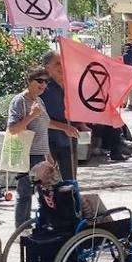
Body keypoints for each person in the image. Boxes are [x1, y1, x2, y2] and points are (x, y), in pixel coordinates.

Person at [7, 66, 52, 227]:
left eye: (46, 81)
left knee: (45, 192)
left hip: (40, 155)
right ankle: (22, 228)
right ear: (28, 81)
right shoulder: (20, 101)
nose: (43, 85)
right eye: (39, 81)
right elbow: (13, 129)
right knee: (25, 192)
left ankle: (43, 224)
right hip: (27, 154)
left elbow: (44, 127)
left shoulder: (39, 101)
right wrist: (31, 115)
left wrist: (48, 154)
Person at [40, 50, 82, 182]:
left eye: (63, 62)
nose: (62, 66)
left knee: (71, 180)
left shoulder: (71, 85)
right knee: (48, 183)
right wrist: (64, 127)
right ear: (47, 68)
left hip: (68, 142)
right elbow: (38, 119)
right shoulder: (42, 88)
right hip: (48, 142)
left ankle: (70, 202)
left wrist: (81, 124)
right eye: (57, 63)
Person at [121, 43, 132, 110]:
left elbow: (123, 64)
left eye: (124, 47)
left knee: (127, 89)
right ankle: (126, 103)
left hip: (125, 73)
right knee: (128, 89)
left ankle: (129, 104)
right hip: (131, 72)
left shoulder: (125, 55)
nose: (124, 49)